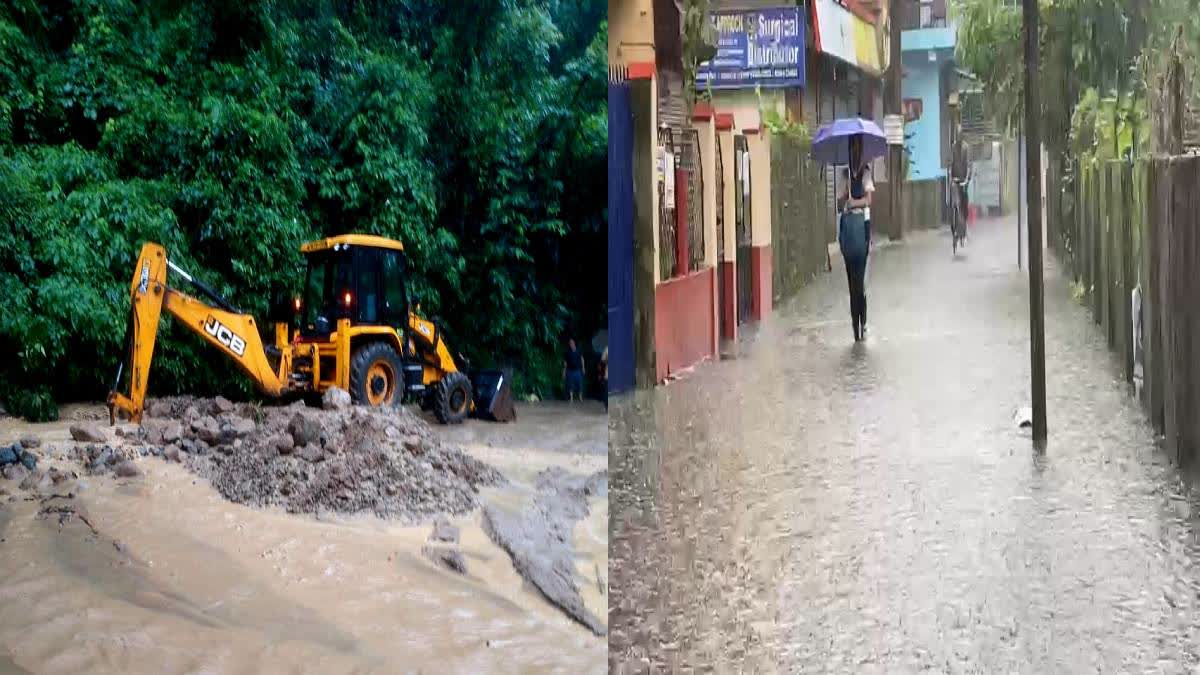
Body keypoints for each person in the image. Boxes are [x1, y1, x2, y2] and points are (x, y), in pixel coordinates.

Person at [837, 135, 874, 342]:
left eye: (858, 148)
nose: (855, 152)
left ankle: (864, 320)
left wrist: (855, 202)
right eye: (852, 148)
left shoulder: (866, 173)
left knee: (861, 282)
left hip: (862, 227)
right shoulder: (844, 175)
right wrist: (844, 198)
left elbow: (869, 199)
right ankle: (854, 323)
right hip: (848, 230)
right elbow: (840, 200)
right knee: (851, 282)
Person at [951, 126, 971, 241]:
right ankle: (953, 223)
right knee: (954, 203)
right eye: (956, 135)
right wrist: (950, 176)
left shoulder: (966, 148)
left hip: (963, 180)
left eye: (959, 135)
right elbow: (951, 163)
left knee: (964, 204)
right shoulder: (953, 147)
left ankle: (964, 227)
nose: (958, 137)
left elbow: (968, 165)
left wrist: (966, 179)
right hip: (955, 179)